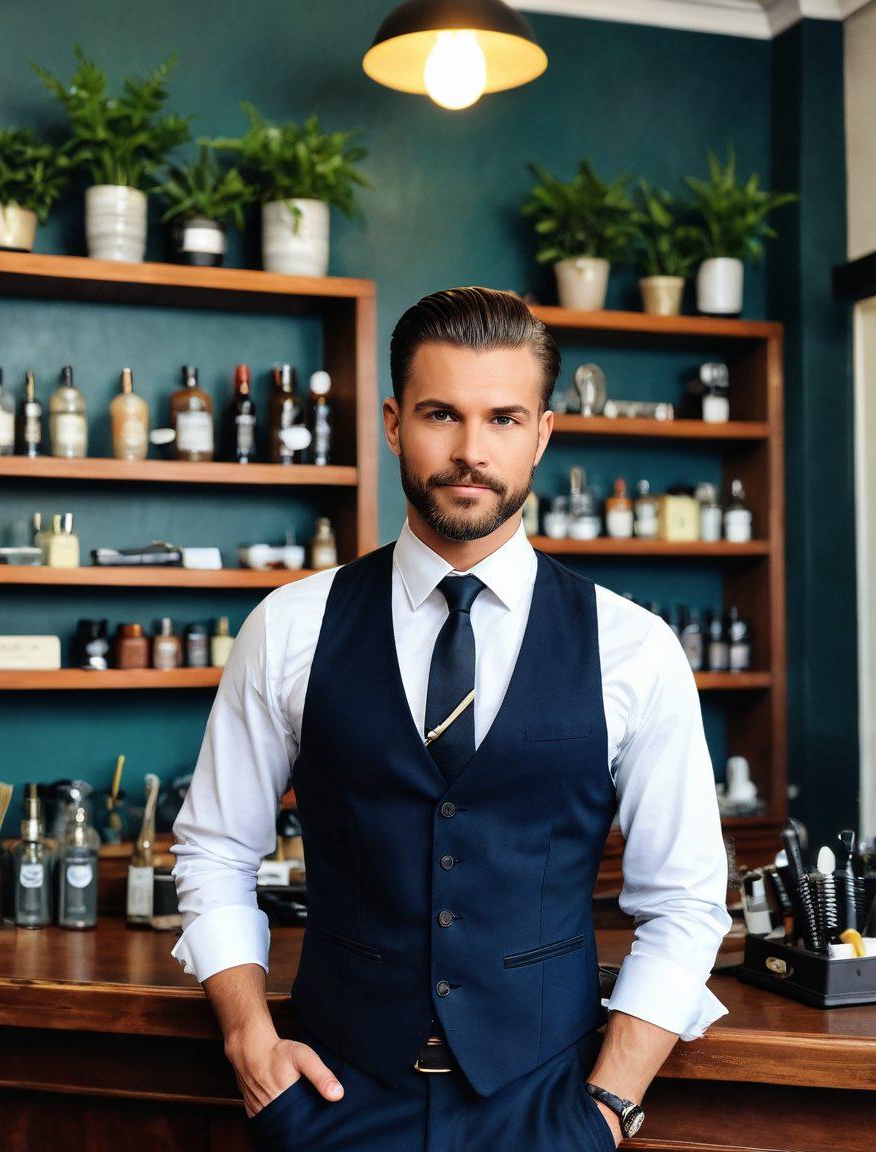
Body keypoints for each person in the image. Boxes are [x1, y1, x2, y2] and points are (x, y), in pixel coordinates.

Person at [170, 286, 732, 1152]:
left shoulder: (635, 648)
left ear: (544, 434)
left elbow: (687, 903)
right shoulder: (288, 626)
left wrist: (606, 1107)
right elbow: (215, 849)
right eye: (442, 414)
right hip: (331, 1100)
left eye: (505, 418)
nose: (471, 452)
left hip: (545, 1107)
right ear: (394, 422)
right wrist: (248, 1037)